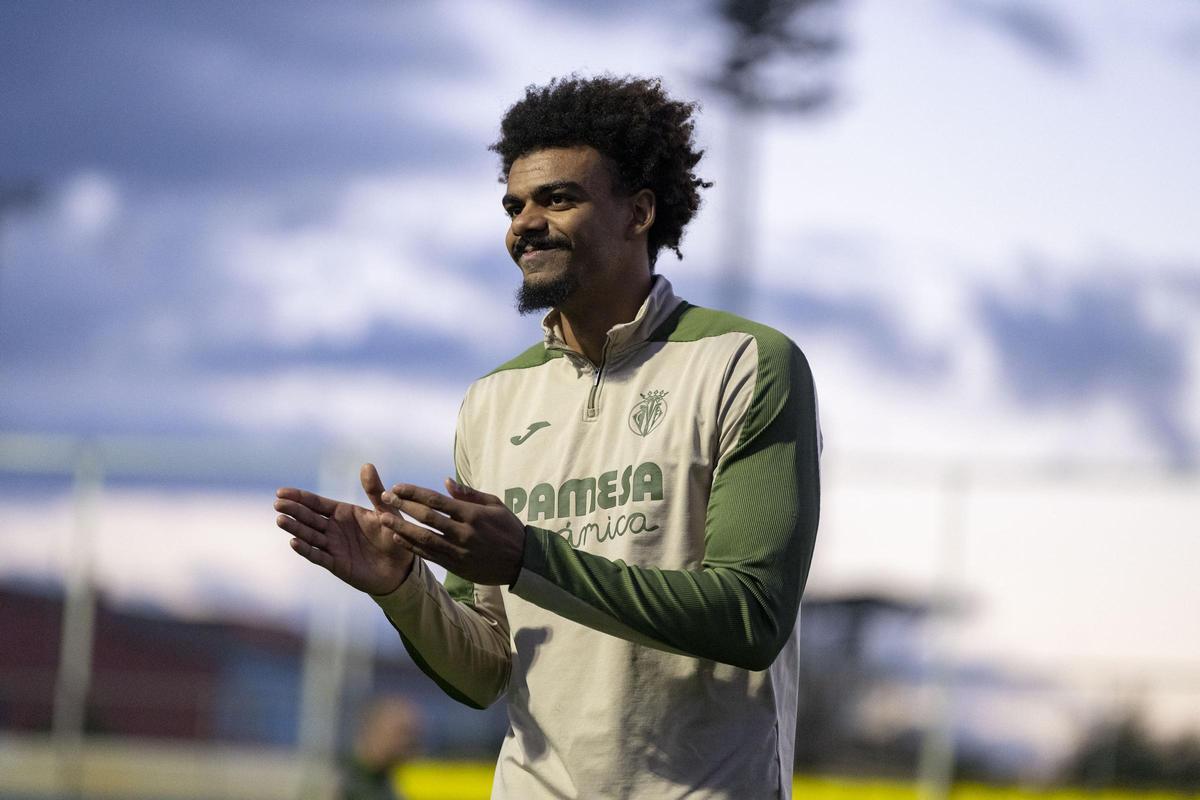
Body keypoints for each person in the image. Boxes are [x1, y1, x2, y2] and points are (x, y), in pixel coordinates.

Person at [274, 74, 821, 799]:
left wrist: (532, 558)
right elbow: (485, 669)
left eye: (558, 198)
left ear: (639, 212)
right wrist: (404, 590)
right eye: (513, 205)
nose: (524, 223)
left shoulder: (745, 363)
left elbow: (751, 616)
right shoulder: (493, 402)